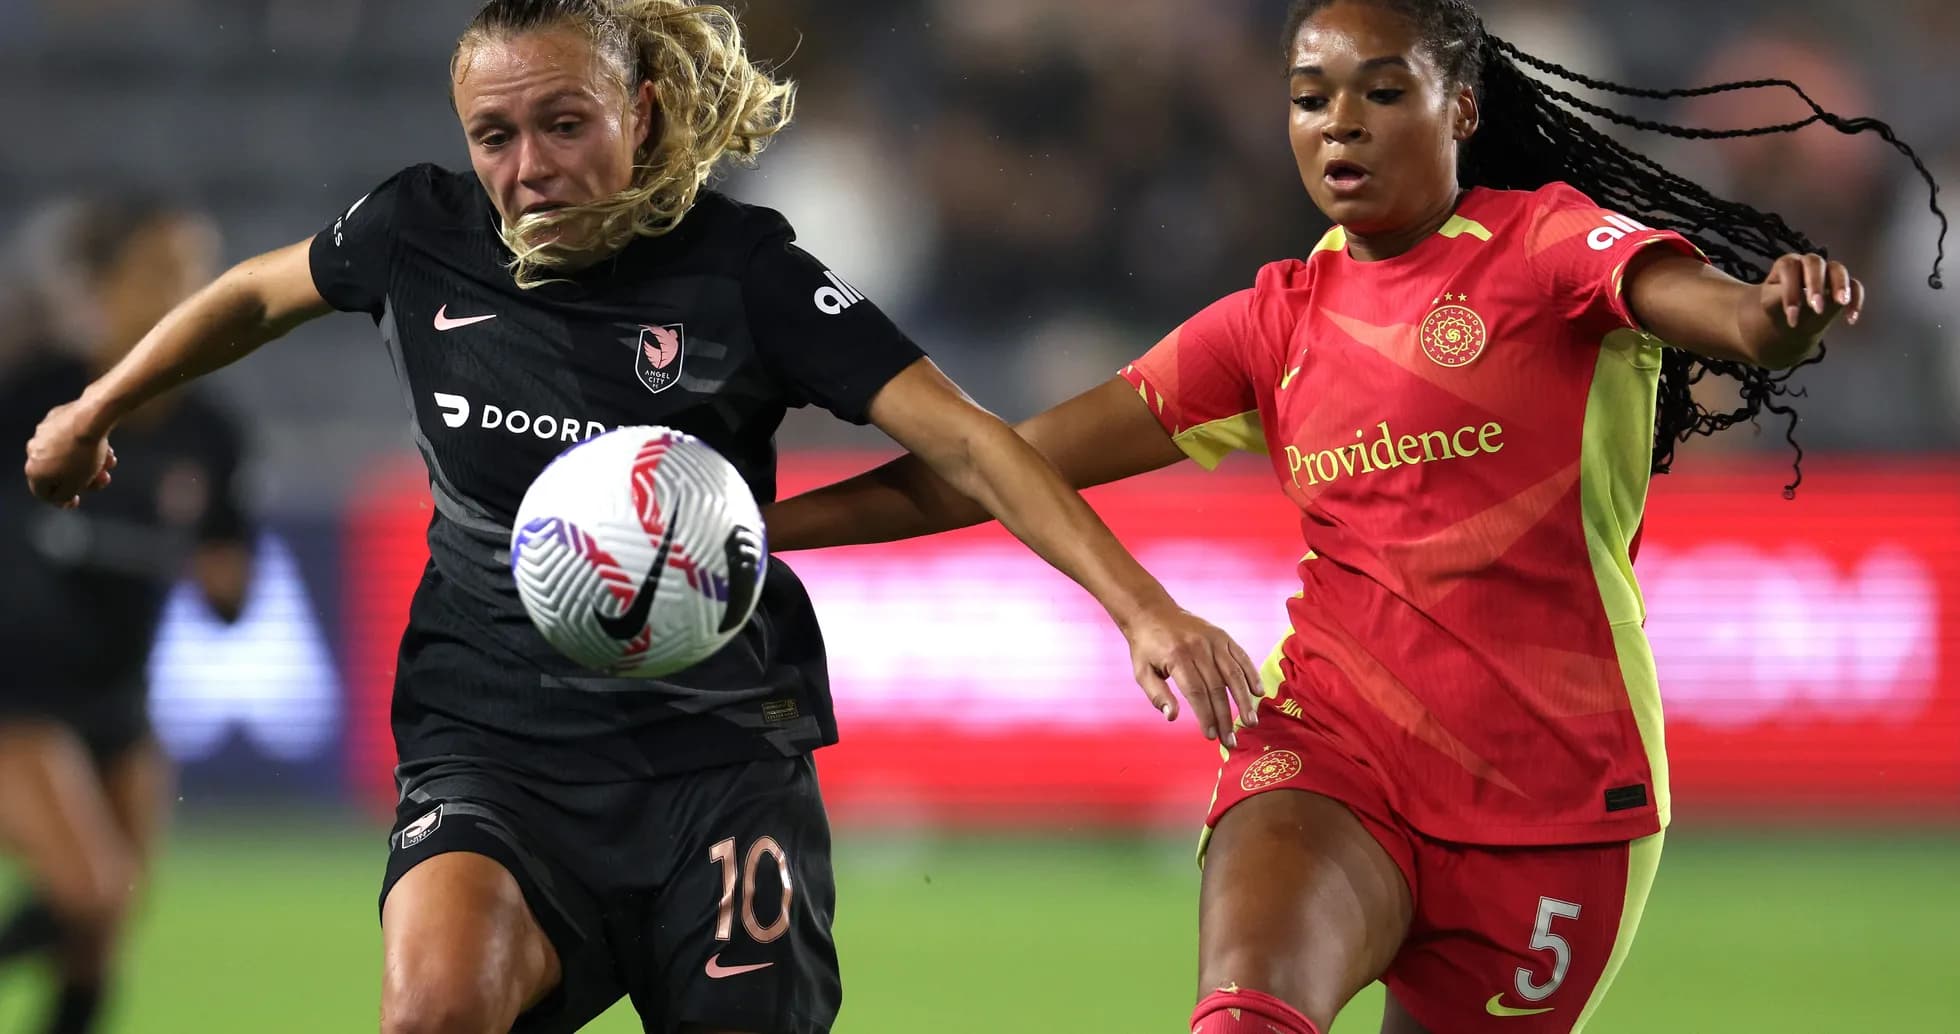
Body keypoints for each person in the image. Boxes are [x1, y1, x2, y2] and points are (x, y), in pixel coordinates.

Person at [22, 2, 1260, 1033]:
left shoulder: (746, 271)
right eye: (493, 136)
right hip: (490, 746)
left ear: (644, 111)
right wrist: (100, 406)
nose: (527, 167)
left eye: (565, 123)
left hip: (716, 761)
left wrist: (1142, 608)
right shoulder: (422, 229)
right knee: (431, 1010)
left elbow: (972, 442)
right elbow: (250, 293)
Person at [760, 2, 1947, 1032]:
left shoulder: (1544, 246)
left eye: (1384, 91)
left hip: (1558, 798)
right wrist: (765, 524)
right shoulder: (1270, 323)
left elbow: (1727, 318)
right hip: (1331, 751)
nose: (1340, 122)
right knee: (1246, 1008)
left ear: (1461, 109)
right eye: (1310, 97)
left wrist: (1774, 315)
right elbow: (997, 464)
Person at [0, 195, 253, 1034]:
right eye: (160, 272)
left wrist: (226, 582)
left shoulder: (214, 433)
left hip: (121, 699)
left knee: (105, 924)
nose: (186, 291)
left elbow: (231, 588)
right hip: (20, 696)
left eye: (196, 272)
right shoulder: (31, 396)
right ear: (100, 288)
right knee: (90, 889)